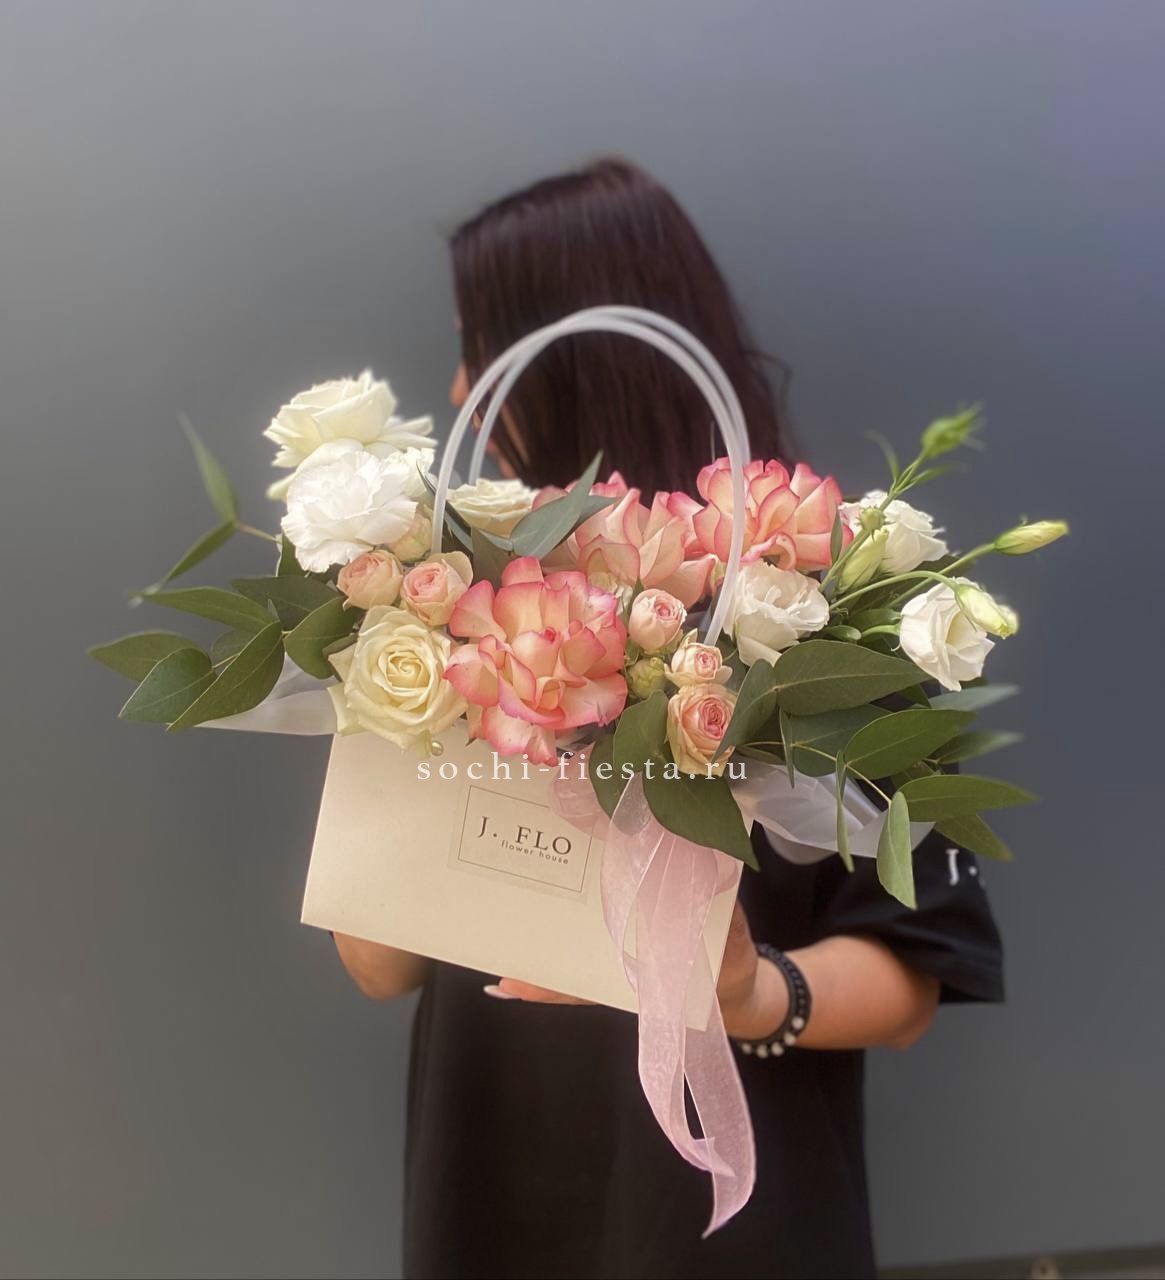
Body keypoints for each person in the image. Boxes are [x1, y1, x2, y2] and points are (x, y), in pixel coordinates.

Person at [334, 158, 1003, 1280]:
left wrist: (744, 992)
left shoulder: (816, 608)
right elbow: (379, 966)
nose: (459, 389)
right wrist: (397, 687)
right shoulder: (457, 601)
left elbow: (910, 979)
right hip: (489, 1185)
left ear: (567, 357)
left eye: (479, 347)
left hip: (732, 1226)